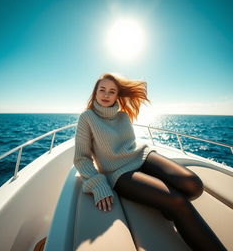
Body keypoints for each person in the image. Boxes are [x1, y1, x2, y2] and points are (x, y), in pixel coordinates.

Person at [73, 73, 226, 251]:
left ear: (117, 95)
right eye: (102, 90)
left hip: (142, 155)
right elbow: (81, 158)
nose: (106, 95)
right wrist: (98, 183)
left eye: (112, 91)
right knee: (177, 202)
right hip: (119, 172)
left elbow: (129, 145)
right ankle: (171, 208)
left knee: (194, 185)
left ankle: (167, 208)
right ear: (95, 93)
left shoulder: (123, 116)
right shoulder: (87, 118)